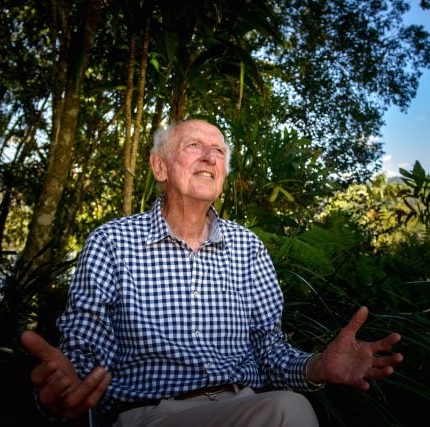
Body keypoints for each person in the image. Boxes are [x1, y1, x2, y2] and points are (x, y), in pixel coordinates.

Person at [21, 119, 403, 427]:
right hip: (151, 414)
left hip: (246, 409)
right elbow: (88, 348)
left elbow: (269, 351)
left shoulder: (248, 247)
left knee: (289, 408)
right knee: (289, 411)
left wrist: (318, 365)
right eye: (193, 146)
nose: (209, 157)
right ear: (159, 166)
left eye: (218, 151)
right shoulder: (112, 241)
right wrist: (67, 386)